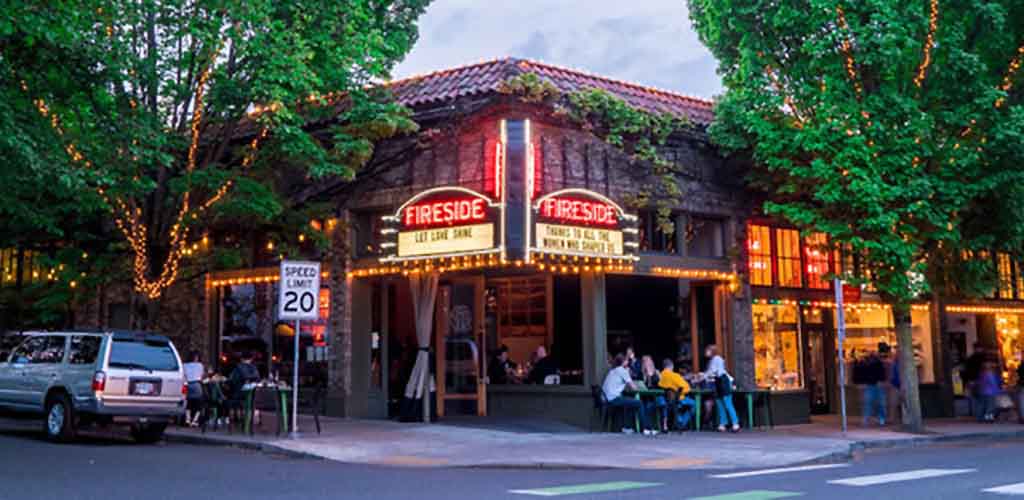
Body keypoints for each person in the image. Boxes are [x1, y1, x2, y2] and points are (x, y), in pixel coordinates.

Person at [601, 353, 653, 434]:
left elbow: (618, 385)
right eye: (627, 361)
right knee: (639, 403)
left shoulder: (612, 371)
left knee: (630, 403)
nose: (628, 362)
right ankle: (646, 428)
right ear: (623, 362)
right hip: (613, 399)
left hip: (606, 399)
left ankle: (627, 427)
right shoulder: (622, 371)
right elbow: (633, 387)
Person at [704, 344, 739, 432]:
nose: (706, 352)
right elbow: (711, 372)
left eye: (708, 350)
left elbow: (713, 371)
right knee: (720, 404)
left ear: (712, 351)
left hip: (723, 382)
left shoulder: (717, 359)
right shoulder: (712, 360)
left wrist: (703, 376)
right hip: (718, 382)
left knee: (727, 403)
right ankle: (723, 423)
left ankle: (735, 423)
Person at [658, 359, 696, 430]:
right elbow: (687, 388)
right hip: (678, 399)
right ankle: (682, 423)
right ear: (671, 367)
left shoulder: (660, 375)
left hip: (665, 399)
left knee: (674, 405)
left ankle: (678, 420)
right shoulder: (675, 376)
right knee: (694, 404)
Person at [861, 345, 888, 426]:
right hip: (873, 385)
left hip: (875, 385)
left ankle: (872, 418)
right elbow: (882, 373)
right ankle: (872, 418)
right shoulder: (868, 364)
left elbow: (882, 374)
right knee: (874, 403)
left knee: (872, 403)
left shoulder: (872, 364)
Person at [640, 355, 668, 431]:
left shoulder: (657, 372)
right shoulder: (642, 374)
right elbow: (642, 386)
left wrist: (656, 376)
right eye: (644, 362)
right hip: (647, 398)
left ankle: (664, 424)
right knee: (646, 406)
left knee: (662, 401)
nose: (646, 363)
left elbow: (662, 384)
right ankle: (648, 427)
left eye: (648, 361)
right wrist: (647, 376)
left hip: (657, 396)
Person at [183, 351, 205, 427]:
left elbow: (184, 376)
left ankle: (187, 419)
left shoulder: (184, 365)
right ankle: (195, 421)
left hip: (187, 385)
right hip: (196, 384)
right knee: (199, 404)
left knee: (188, 403)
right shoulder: (200, 365)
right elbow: (201, 377)